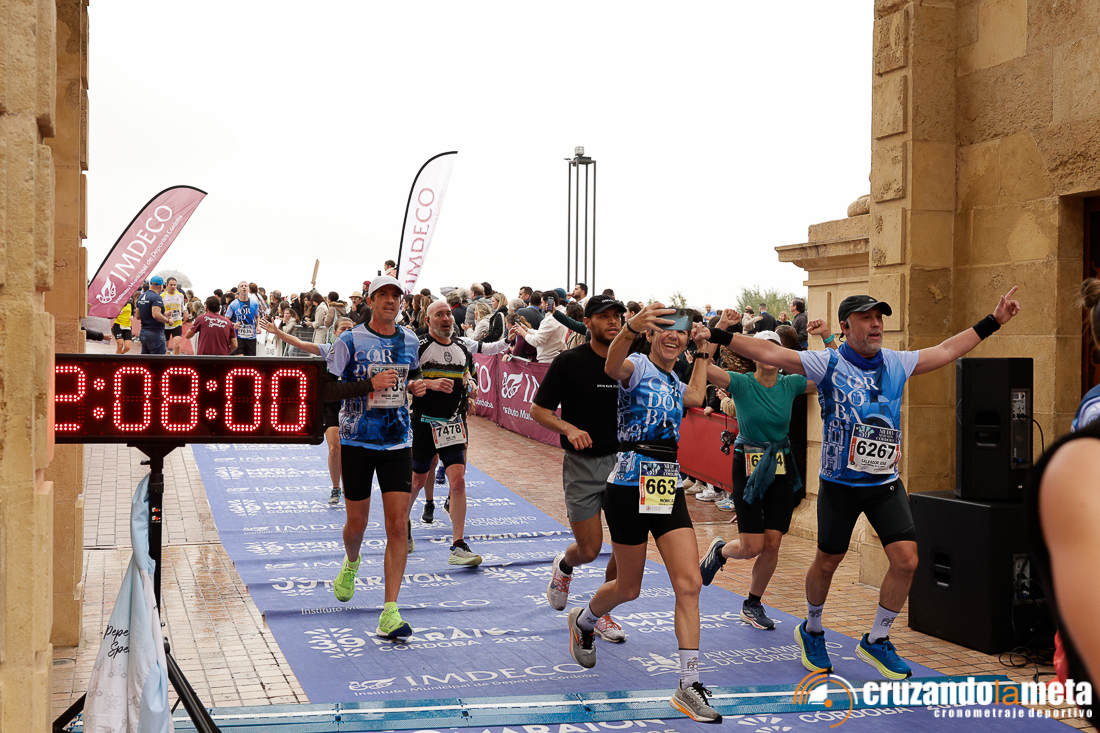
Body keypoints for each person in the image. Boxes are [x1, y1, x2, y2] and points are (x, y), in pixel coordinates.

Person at [706, 290, 1022, 681]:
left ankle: (877, 639)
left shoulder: (897, 362)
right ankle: (812, 628)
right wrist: (718, 334)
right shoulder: (827, 362)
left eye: (879, 318)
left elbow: (945, 350)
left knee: (907, 560)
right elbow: (771, 353)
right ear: (845, 326)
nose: (876, 325)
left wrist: (993, 321)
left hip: (884, 483)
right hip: (839, 484)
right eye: (866, 318)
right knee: (828, 562)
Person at [566, 303, 719, 723]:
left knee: (689, 584)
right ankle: (585, 620)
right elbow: (612, 366)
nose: (673, 337)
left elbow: (694, 396)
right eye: (666, 330)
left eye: (681, 333)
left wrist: (703, 353)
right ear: (651, 335)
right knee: (628, 588)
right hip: (628, 488)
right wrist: (629, 328)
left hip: (666, 486)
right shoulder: (635, 366)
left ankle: (688, 684)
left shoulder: (673, 380)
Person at [327, 275, 428, 640]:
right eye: (382, 295)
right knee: (357, 525)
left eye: (395, 296)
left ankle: (390, 611)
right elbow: (326, 389)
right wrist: (369, 384)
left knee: (398, 526)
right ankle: (351, 562)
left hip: (398, 443)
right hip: (357, 442)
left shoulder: (410, 339)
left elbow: (413, 376)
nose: (390, 301)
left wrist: (416, 385)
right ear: (370, 301)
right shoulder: (350, 340)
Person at [697, 328, 817, 630]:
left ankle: (752, 604)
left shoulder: (790, 383)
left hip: (780, 462)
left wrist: (827, 339)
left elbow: (830, 376)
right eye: (761, 348)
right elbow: (705, 368)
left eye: (774, 348)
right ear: (753, 354)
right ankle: (720, 551)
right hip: (747, 463)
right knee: (752, 546)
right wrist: (709, 338)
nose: (768, 354)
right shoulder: (741, 382)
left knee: (773, 543)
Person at [533, 295, 628, 644]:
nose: (613, 321)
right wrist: (569, 428)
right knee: (589, 550)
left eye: (617, 315)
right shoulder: (569, 361)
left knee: (625, 547)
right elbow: (538, 410)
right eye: (604, 316)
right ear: (587, 322)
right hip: (582, 466)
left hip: (626, 466)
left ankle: (600, 613)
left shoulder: (632, 364)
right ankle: (565, 565)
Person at [407, 300, 489, 566]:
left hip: (453, 423)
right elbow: (402, 380)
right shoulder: (419, 346)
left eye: (448, 314)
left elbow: (469, 376)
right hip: (424, 422)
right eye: (439, 315)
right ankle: (402, 522)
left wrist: (471, 386)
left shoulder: (462, 347)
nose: (446, 319)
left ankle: (458, 545)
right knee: (418, 480)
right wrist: (430, 384)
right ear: (428, 320)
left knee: (459, 482)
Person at [262, 315, 354, 504]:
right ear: (335, 333)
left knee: (350, 450)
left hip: (354, 404)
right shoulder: (328, 350)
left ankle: (350, 487)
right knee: (335, 447)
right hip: (332, 404)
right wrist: (278, 332)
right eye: (343, 328)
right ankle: (336, 487)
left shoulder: (362, 353)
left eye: (350, 329)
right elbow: (300, 343)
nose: (347, 332)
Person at [514, 292, 569, 363]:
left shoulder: (549, 320)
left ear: (549, 303)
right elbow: (546, 334)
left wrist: (522, 333)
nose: (541, 305)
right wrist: (527, 330)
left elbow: (537, 341)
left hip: (548, 360)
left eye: (542, 302)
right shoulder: (562, 315)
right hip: (557, 358)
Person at [225, 280, 262, 356]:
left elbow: (257, 316)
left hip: (251, 336)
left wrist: (258, 325)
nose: (244, 287)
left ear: (248, 289)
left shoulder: (254, 303)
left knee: (251, 360)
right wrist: (234, 324)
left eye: (246, 286)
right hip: (238, 336)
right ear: (238, 290)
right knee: (239, 359)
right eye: (241, 286)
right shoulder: (233, 304)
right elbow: (226, 320)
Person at [136, 276, 170, 354]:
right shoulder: (156, 297)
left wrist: (163, 314)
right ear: (161, 286)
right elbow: (156, 315)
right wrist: (168, 320)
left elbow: (138, 315)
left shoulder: (141, 297)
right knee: (158, 359)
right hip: (155, 332)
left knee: (146, 358)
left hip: (143, 332)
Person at [162, 277, 187, 355]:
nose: (173, 287)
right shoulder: (162, 296)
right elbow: (159, 310)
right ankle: (164, 361)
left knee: (177, 345)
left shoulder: (180, 295)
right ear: (167, 285)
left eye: (174, 285)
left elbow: (182, 307)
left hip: (177, 322)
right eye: (171, 285)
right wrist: (165, 313)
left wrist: (185, 311)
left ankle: (175, 360)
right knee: (164, 347)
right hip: (165, 323)